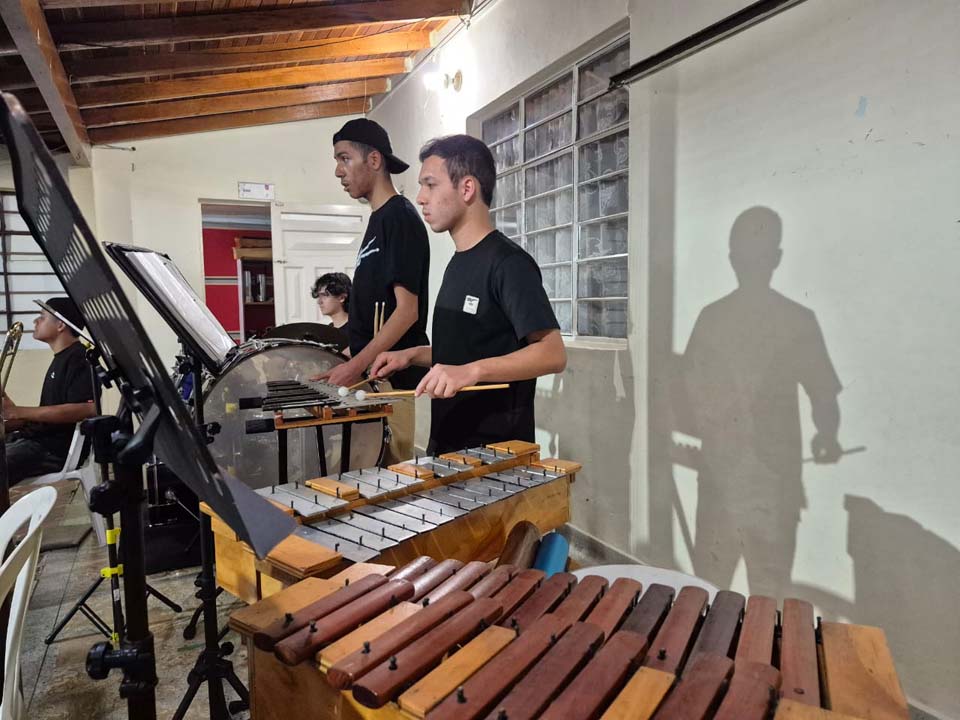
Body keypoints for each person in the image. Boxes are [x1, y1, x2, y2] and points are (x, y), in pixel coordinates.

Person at [681, 206, 842, 598]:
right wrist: (826, 436)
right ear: (777, 258)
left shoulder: (717, 318)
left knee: (719, 591)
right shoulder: (794, 319)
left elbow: (823, 393)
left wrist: (826, 434)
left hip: (760, 484)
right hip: (737, 482)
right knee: (745, 593)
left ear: (733, 259)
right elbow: (824, 397)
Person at [370, 135, 567, 453]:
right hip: (448, 447)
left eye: (430, 185)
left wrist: (472, 372)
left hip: (495, 456)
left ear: (466, 188)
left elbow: (553, 353)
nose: (420, 198)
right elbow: (464, 350)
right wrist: (411, 355)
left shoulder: (509, 263)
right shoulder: (458, 262)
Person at [320, 118, 430, 392]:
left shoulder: (399, 217)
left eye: (345, 158)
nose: (338, 171)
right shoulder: (379, 218)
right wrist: (343, 358)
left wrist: (355, 366)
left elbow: (407, 312)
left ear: (374, 160)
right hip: (374, 374)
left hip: (394, 379)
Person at [2, 297, 98, 485]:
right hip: (36, 439)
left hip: (54, 448)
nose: (35, 321)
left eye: (42, 317)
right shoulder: (61, 358)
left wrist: (17, 411)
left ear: (60, 325)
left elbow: (87, 409)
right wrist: (10, 413)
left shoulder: (79, 358)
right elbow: (45, 414)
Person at [311, 272, 351, 348]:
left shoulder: (356, 329)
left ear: (342, 298)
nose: (319, 301)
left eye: (324, 295)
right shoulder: (327, 330)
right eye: (319, 296)